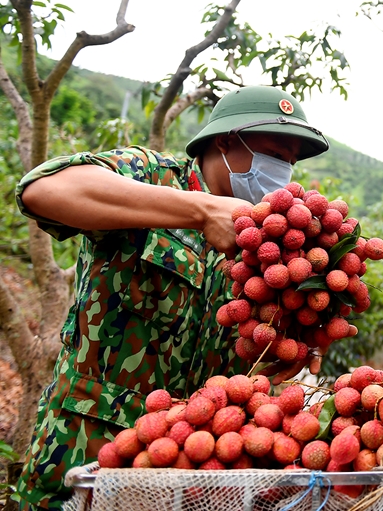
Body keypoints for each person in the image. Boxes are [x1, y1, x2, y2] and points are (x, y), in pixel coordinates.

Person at [14, 86, 336, 510]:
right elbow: (41, 190)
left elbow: (255, 362)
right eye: (275, 154)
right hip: (86, 451)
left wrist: (291, 347)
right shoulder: (149, 174)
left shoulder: (271, 245)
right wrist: (200, 210)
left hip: (192, 467)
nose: (282, 172)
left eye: (290, 164)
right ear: (225, 141)